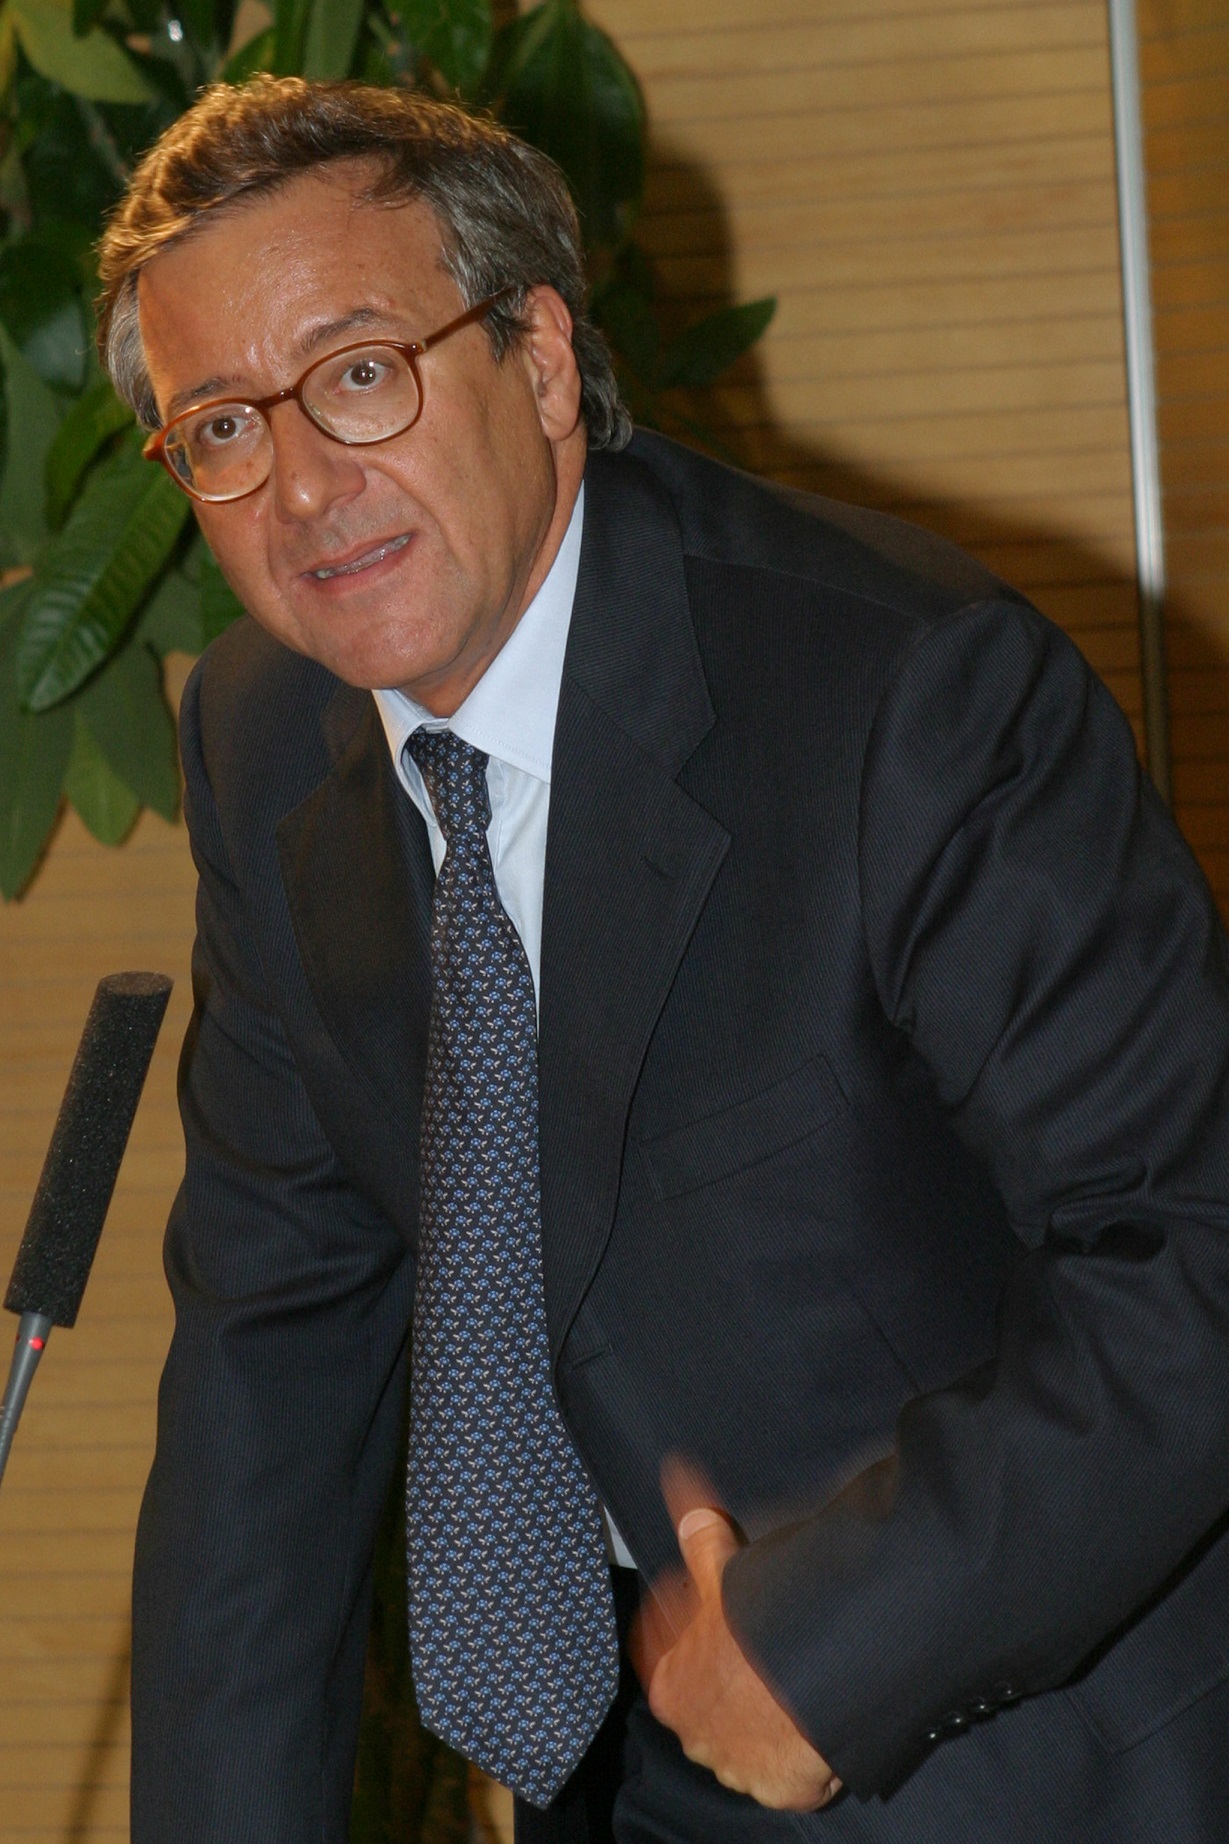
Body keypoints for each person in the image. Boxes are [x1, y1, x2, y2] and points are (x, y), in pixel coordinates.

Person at [97, 74, 1229, 1844]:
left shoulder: (904, 694)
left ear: (542, 361)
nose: (303, 486)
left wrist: (840, 1644)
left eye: (360, 374)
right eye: (221, 427)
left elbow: (1195, 1250)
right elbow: (268, 1371)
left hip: (1018, 1751)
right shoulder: (268, 742)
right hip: (626, 1777)